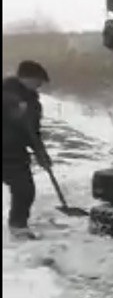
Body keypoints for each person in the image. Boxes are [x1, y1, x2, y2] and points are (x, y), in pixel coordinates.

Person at [2, 60, 51, 239]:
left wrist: (41, 154)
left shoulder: (33, 103)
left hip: (15, 153)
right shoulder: (6, 94)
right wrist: (13, 109)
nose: (40, 85)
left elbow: (34, 133)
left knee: (25, 189)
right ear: (27, 78)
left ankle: (18, 226)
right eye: (38, 80)